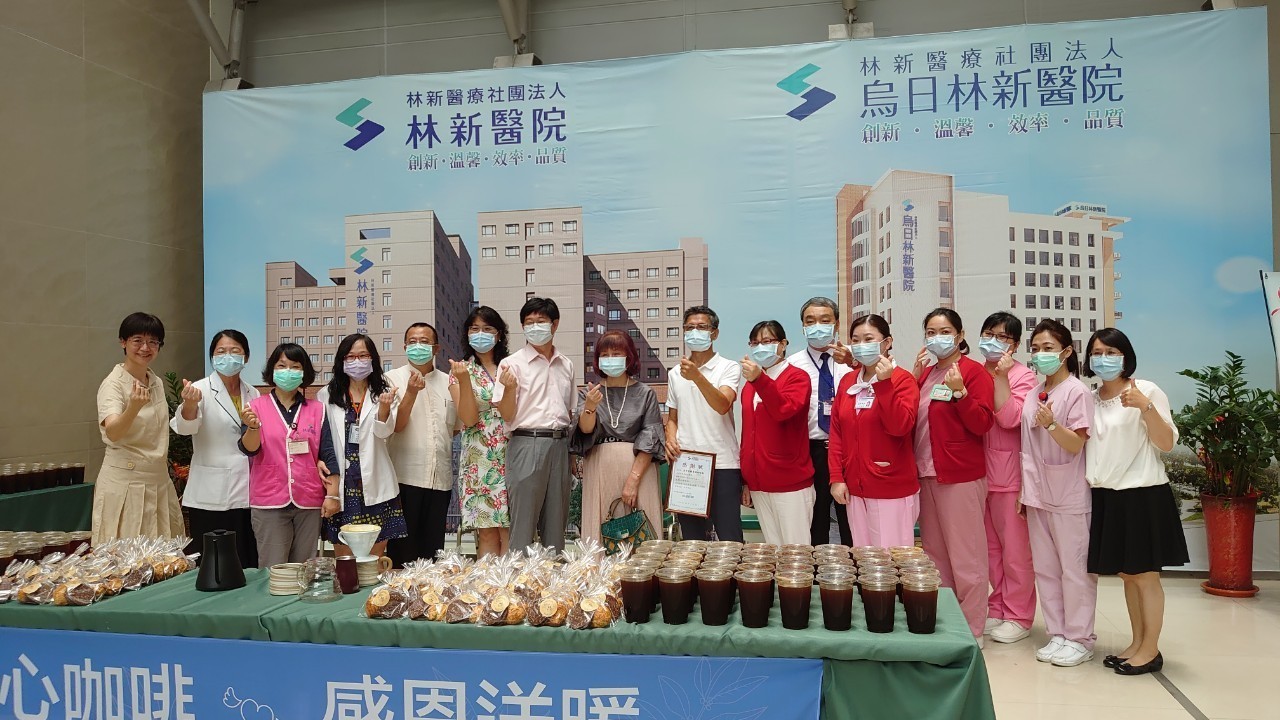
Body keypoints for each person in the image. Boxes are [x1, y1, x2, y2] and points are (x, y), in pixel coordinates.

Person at [1084, 328, 1188, 676]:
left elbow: (1166, 442)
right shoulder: (1091, 398)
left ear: (1126, 356)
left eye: (1111, 352)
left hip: (1142, 495)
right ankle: (1137, 642)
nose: (1103, 359)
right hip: (1107, 496)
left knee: (1145, 577)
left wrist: (1145, 407)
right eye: (1097, 352)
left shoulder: (1146, 390)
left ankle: (1151, 649)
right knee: (1127, 575)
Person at [911, 308, 995, 641]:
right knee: (935, 555)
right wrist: (913, 376)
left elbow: (982, 423)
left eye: (945, 331)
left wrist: (960, 393)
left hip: (959, 476)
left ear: (960, 336)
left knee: (967, 556)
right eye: (930, 332)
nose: (937, 338)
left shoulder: (973, 373)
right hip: (926, 474)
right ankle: (947, 623)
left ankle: (972, 630)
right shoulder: (926, 375)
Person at [1020, 320, 1097, 667]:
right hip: (1037, 493)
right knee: (1046, 569)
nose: (1040, 354)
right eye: (1035, 349)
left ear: (1066, 352)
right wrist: (1024, 491)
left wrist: (1051, 424)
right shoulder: (1035, 391)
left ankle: (1080, 638)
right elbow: (1027, 445)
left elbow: (1076, 444)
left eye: (1048, 348)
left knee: (1075, 570)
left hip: (1068, 493)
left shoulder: (1077, 392)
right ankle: (1058, 633)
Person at [828, 314, 920, 547]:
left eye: (868, 339)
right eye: (855, 340)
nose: (861, 345)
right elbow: (837, 432)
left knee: (891, 558)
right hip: (854, 488)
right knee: (864, 557)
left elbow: (900, 427)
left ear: (887, 342)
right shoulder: (848, 381)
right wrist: (837, 477)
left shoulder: (903, 380)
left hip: (890, 486)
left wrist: (884, 384)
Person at [93, 312, 185, 544]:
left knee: (165, 555)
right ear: (123, 342)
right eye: (138, 340)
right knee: (128, 556)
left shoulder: (156, 381)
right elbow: (113, 432)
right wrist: (133, 407)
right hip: (125, 482)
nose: (145, 348)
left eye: (153, 342)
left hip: (159, 482)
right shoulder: (113, 384)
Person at [171, 329, 261, 566]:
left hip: (247, 491)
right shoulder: (199, 389)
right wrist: (190, 404)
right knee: (214, 565)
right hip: (210, 494)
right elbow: (185, 428)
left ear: (246, 357)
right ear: (212, 357)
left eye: (235, 351)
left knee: (245, 559)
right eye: (221, 352)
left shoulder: (252, 392)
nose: (228, 356)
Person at [493, 297, 576, 552]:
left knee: (556, 523)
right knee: (523, 523)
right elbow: (507, 415)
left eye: (541, 321)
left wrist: (571, 454)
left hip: (560, 445)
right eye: (529, 322)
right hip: (526, 441)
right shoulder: (511, 364)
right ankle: (519, 574)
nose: (535, 327)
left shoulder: (566, 364)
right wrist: (509, 389)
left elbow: (569, 412)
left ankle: (554, 574)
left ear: (555, 324)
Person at [240, 343, 332, 567]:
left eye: (295, 366)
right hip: (269, 500)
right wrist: (252, 428)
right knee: (273, 568)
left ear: (304, 372)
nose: (288, 371)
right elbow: (249, 449)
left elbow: (328, 453)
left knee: (304, 568)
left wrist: (332, 495)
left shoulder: (318, 409)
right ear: (272, 370)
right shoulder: (255, 407)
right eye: (282, 366)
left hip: (308, 499)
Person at [571, 330, 666, 543]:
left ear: (629, 356)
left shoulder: (646, 393)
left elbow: (651, 438)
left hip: (638, 471)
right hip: (599, 469)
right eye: (604, 355)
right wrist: (590, 407)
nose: (610, 359)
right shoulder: (588, 393)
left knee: (641, 533)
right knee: (602, 531)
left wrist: (633, 480)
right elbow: (585, 430)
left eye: (616, 354)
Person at [978, 312, 1038, 645]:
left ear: (1014, 345)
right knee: (990, 550)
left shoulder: (1023, 377)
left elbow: (1011, 419)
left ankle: (1019, 614)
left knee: (1015, 551)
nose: (994, 341)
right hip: (979, 475)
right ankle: (998, 607)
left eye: (1002, 337)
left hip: (1009, 476)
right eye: (989, 334)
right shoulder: (974, 372)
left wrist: (1001, 379)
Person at [318, 334, 405, 558]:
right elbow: (322, 438)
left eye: (363, 355)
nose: (357, 361)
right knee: (345, 558)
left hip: (375, 482)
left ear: (373, 358)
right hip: (343, 486)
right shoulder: (326, 394)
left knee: (373, 558)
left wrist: (384, 408)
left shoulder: (385, 390)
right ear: (342, 361)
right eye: (351, 356)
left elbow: (384, 433)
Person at [665, 305, 745, 542]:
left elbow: (723, 404)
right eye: (689, 328)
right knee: (692, 542)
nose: (695, 332)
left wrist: (697, 377)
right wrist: (670, 438)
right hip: (686, 465)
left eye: (701, 327)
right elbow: (673, 418)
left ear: (714, 333)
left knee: (730, 539)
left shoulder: (728, 367)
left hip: (723, 464)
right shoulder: (675, 373)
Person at [386, 323, 457, 566]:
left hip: (440, 480)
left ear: (436, 348)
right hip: (404, 479)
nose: (418, 346)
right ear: (404, 346)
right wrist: (411, 393)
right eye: (413, 342)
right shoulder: (391, 379)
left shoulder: (449, 382)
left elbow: (456, 427)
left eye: (425, 342)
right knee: (402, 555)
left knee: (432, 554)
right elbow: (395, 426)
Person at [787, 297, 854, 546]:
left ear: (836, 325)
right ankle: (816, 569)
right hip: (810, 450)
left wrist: (853, 362)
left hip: (849, 450)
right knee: (816, 521)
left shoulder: (854, 360)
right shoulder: (792, 365)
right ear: (803, 327)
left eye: (825, 321)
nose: (817, 326)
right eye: (810, 321)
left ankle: (854, 566)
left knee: (851, 520)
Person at [740, 321, 814, 545]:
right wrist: (746, 481)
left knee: (796, 553)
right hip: (759, 483)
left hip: (789, 481)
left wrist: (759, 380)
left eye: (767, 341)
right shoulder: (750, 385)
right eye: (755, 343)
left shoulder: (797, 377)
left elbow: (784, 410)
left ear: (782, 344)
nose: (760, 347)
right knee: (773, 551)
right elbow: (748, 434)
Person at [448, 306, 512, 557]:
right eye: (474, 329)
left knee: (510, 529)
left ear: (499, 334)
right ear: (466, 333)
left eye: (487, 328)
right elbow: (468, 418)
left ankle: (511, 580)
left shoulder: (511, 366)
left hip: (512, 452)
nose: (480, 334)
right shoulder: (460, 370)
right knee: (487, 531)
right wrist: (464, 381)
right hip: (479, 457)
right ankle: (489, 581)